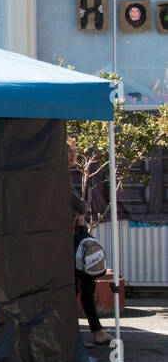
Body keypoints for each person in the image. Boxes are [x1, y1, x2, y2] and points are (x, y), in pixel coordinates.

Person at [69, 138, 113, 346]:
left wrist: (80, 209)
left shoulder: (65, 175)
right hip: (70, 238)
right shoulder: (58, 176)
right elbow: (79, 204)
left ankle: (96, 331)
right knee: (79, 284)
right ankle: (80, 334)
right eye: (68, 151)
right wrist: (81, 208)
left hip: (75, 236)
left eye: (74, 151)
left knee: (85, 283)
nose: (72, 155)